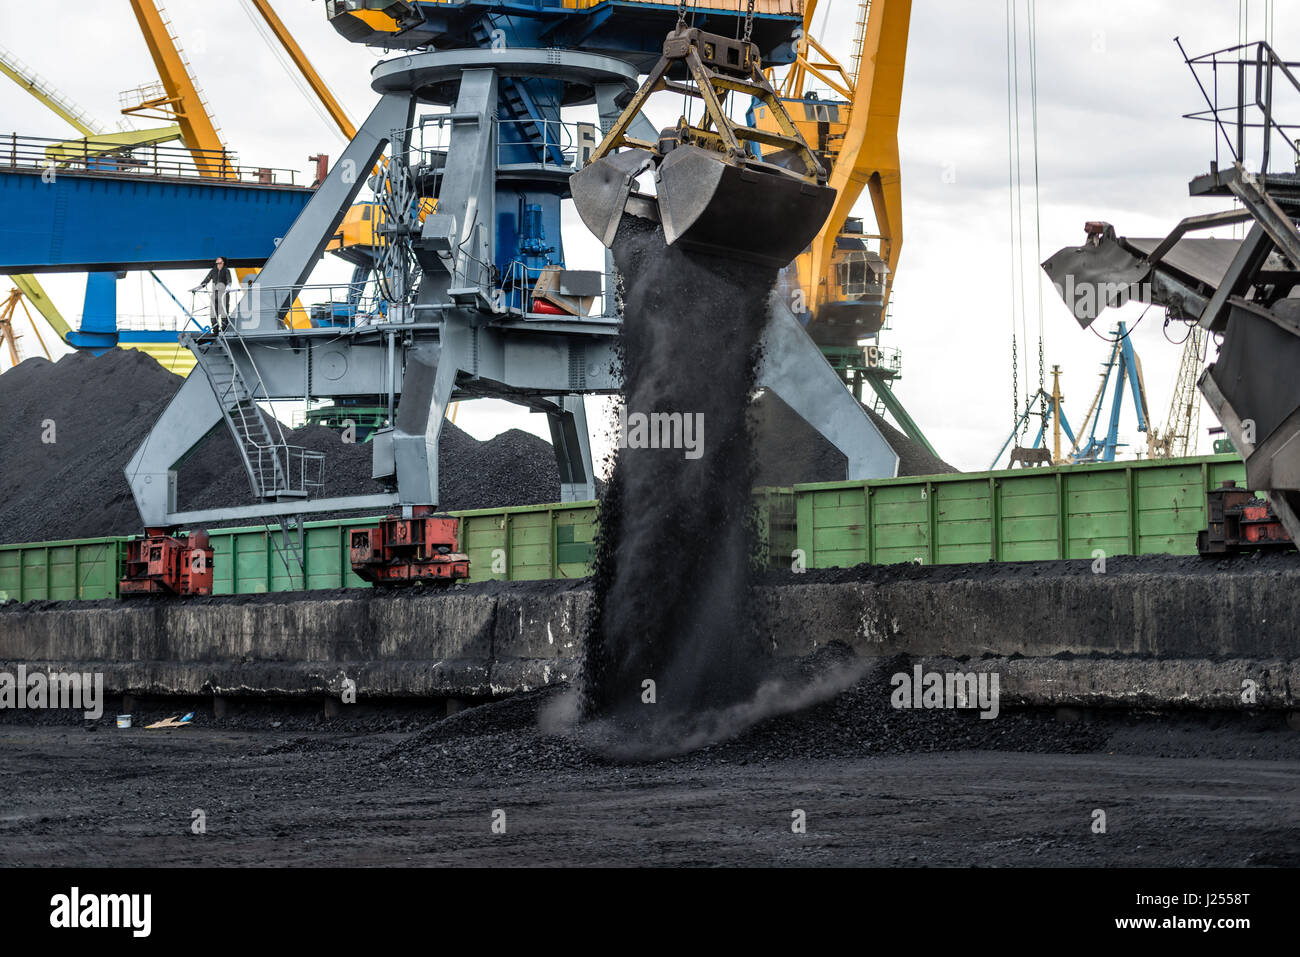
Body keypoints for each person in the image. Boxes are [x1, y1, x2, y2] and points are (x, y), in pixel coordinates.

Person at [192, 256, 232, 335]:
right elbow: (205, 281)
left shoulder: (226, 270)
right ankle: (215, 332)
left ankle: (223, 332)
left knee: (224, 314)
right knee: (213, 315)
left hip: (224, 295)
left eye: (219, 259)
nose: (217, 260)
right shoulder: (213, 271)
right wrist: (197, 288)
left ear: (223, 262)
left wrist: (228, 288)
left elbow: (229, 280)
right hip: (215, 295)